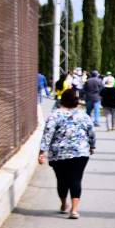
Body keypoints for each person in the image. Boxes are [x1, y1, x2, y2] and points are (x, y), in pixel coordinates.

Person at [38, 88, 95, 220]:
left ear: (62, 100)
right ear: (76, 102)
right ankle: (74, 210)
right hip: (80, 153)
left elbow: (47, 134)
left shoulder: (54, 115)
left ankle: (64, 204)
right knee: (76, 179)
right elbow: (91, 133)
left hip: (59, 154)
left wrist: (42, 152)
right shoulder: (83, 116)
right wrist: (92, 146)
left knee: (61, 180)